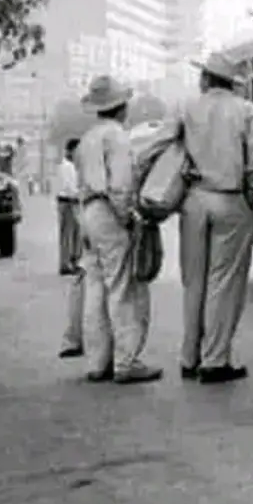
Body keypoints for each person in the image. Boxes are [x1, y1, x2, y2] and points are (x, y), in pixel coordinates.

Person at [151, 53, 253, 384]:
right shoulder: (247, 111)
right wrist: (251, 194)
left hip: (194, 199)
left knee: (194, 281)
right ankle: (215, 359)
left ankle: (189, 356)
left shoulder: (186, 107)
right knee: (225, 281)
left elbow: (157, 144)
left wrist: (143, 182)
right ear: (231, 82)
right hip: (230, 198)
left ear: (206, 78)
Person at [77, 75, 161, 384]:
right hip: (110, 213)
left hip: (87, 211)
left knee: (96, 287)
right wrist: (128, 216)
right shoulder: (118, 138)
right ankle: (127, 361)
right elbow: (121, 185)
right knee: (122, 287)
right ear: (121, 107)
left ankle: (97, 362)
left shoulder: (87, 138)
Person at [56, 137, 85, 359]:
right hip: (68, 201)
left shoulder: (73, 166)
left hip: (73, 201)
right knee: (67, 235)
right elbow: (69, 188)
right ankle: (66, 262)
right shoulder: (65, 167)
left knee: (74, 235)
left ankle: (71, 261)